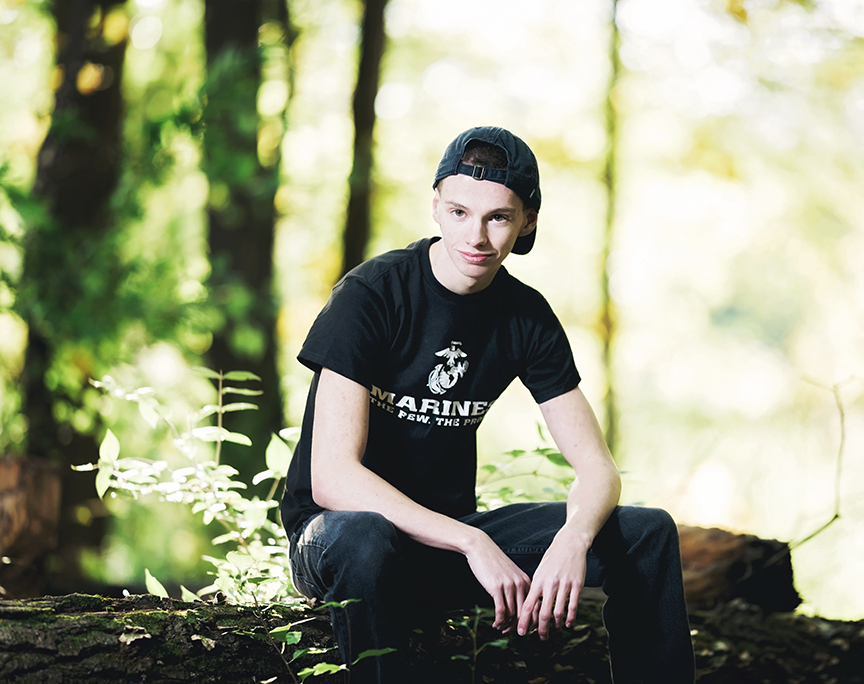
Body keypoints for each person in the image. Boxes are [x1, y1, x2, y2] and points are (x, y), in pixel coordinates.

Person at [281, 126, 695, 683]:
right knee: (364, 534)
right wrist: (472, 540)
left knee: (647, 533)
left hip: (445, 548)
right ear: (436, 207)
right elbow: (332, 479)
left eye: (498, 217)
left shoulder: (525, 316)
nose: (475, 236)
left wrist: (572, 539)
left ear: (527, 222)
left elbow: (598, 468)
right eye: (458, 212)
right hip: (340, 543)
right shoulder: (372, 294)